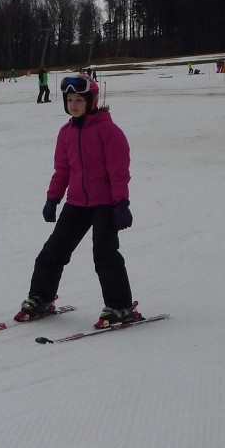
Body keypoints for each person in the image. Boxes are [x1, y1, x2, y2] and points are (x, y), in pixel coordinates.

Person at [14, 73, 139, 330]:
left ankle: (120, 306)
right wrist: (53, 199)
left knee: (104, 254)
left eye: (78, 100)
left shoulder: (109, 131)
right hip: (77, 202)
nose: (73, 104)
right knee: (53, 251)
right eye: (69, 100)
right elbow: (63, 170)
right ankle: (41, 297)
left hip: (105, 203)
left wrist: (121, 202)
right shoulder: (66, 133)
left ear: (90, 101)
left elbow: (118, 171)